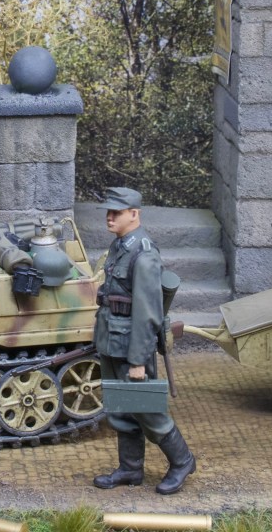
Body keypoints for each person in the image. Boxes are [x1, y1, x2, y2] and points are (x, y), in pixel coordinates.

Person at [92, 187, 196, 495]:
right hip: (112, 340)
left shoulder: (144, 253)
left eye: (117, 212)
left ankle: (182, 461)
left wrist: (138, 360)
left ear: (134, 214)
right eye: (108, 211)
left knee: (148, 410)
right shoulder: (120, 246)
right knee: (121, 410)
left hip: (131, 346)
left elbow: (148, 313)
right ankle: (130, 468)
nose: (109, 217)